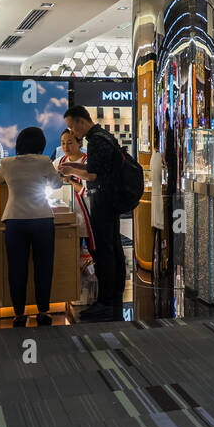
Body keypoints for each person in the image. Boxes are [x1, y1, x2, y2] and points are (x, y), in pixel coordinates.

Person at [59, 105, 129, 322]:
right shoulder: (104, 136)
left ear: (81, 122)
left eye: (71, 127)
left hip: (103, 202)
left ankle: (106, 302)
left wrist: (70, 171)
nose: (71, 133)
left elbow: (93, 175)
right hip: (110, 202)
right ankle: (113, 299)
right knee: (112, 250)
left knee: (104, 253)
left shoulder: (96, 140)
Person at [0, 127, 62, 327]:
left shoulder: (7, 163)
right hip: (42, 219)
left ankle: (19, 314)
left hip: (15, 220)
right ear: (41, 144)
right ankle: (43, 312)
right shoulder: (45, 162)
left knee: (16, 269)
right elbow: (57, 185)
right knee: (44, 268)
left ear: (19, 143)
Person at [57, 127, 96, 280]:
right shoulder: (60, 161)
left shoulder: (88, 162)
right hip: (69, 215)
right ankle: (74, 287)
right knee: (72, 252)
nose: (66, 147)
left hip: (88, 214)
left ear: (79, 143)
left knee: (94, 251)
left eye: (70, 143)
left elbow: (86, 191)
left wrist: (69, 181)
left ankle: (97, 288)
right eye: (63, 143)